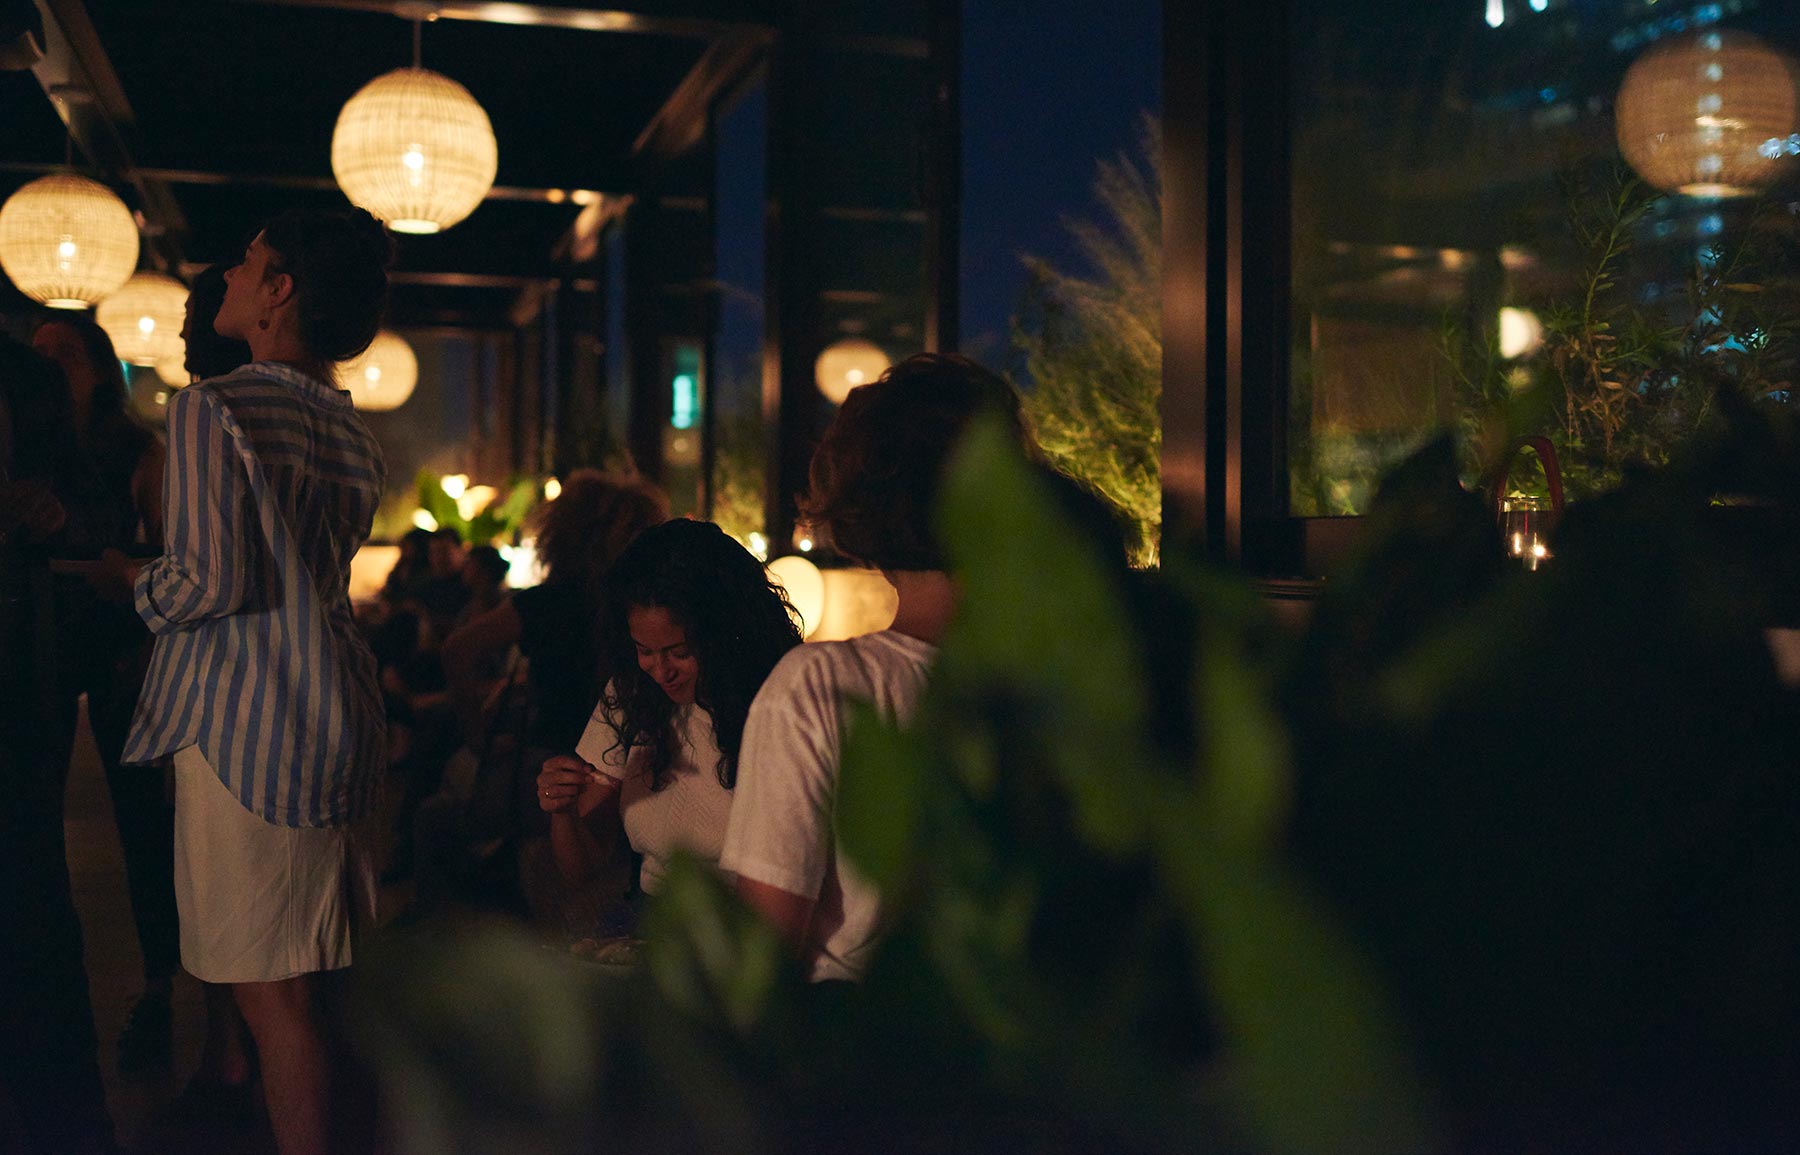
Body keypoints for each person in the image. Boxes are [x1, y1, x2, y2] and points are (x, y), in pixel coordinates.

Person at [104, 206, 391, 1155]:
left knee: (273, 999)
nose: (231, 273)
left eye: (248, 260)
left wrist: (131, 581)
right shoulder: (349, 429)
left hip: (244, 723)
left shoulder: (213, 406)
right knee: (321, 989)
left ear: (280, 292)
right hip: (338, 709)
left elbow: (209, 579)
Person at [720, 353, 1028, 981]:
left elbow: (758, 960)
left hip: (861, 1034)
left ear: (861, 505)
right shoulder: (1071, 683)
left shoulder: (820, 688)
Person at [31, 314, 177, 1073]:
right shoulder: (28, 446)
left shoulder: (136, 449)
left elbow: (167, 548)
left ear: (99, 369)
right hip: (42, 637)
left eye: (65, 354)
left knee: (141, 819)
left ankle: (159, 986)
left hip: (121, 638)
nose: (50, 367)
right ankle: (50, 993)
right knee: (35, 811)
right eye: (39, 356)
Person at [535, 519, 803, 924]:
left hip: (752, 922)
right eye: (644, 650)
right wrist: (562, 810)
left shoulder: (784, 701)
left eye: (680, 652)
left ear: (725, 634)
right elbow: (582, 866)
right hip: (652, 915)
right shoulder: (631, 694)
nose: (660, 671)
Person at [0, 332, 117, 1153]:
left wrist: (54, 515)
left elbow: (93, 512)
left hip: (20, 664)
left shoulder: (28, 384)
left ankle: (64, 1120)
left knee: (31, 892)